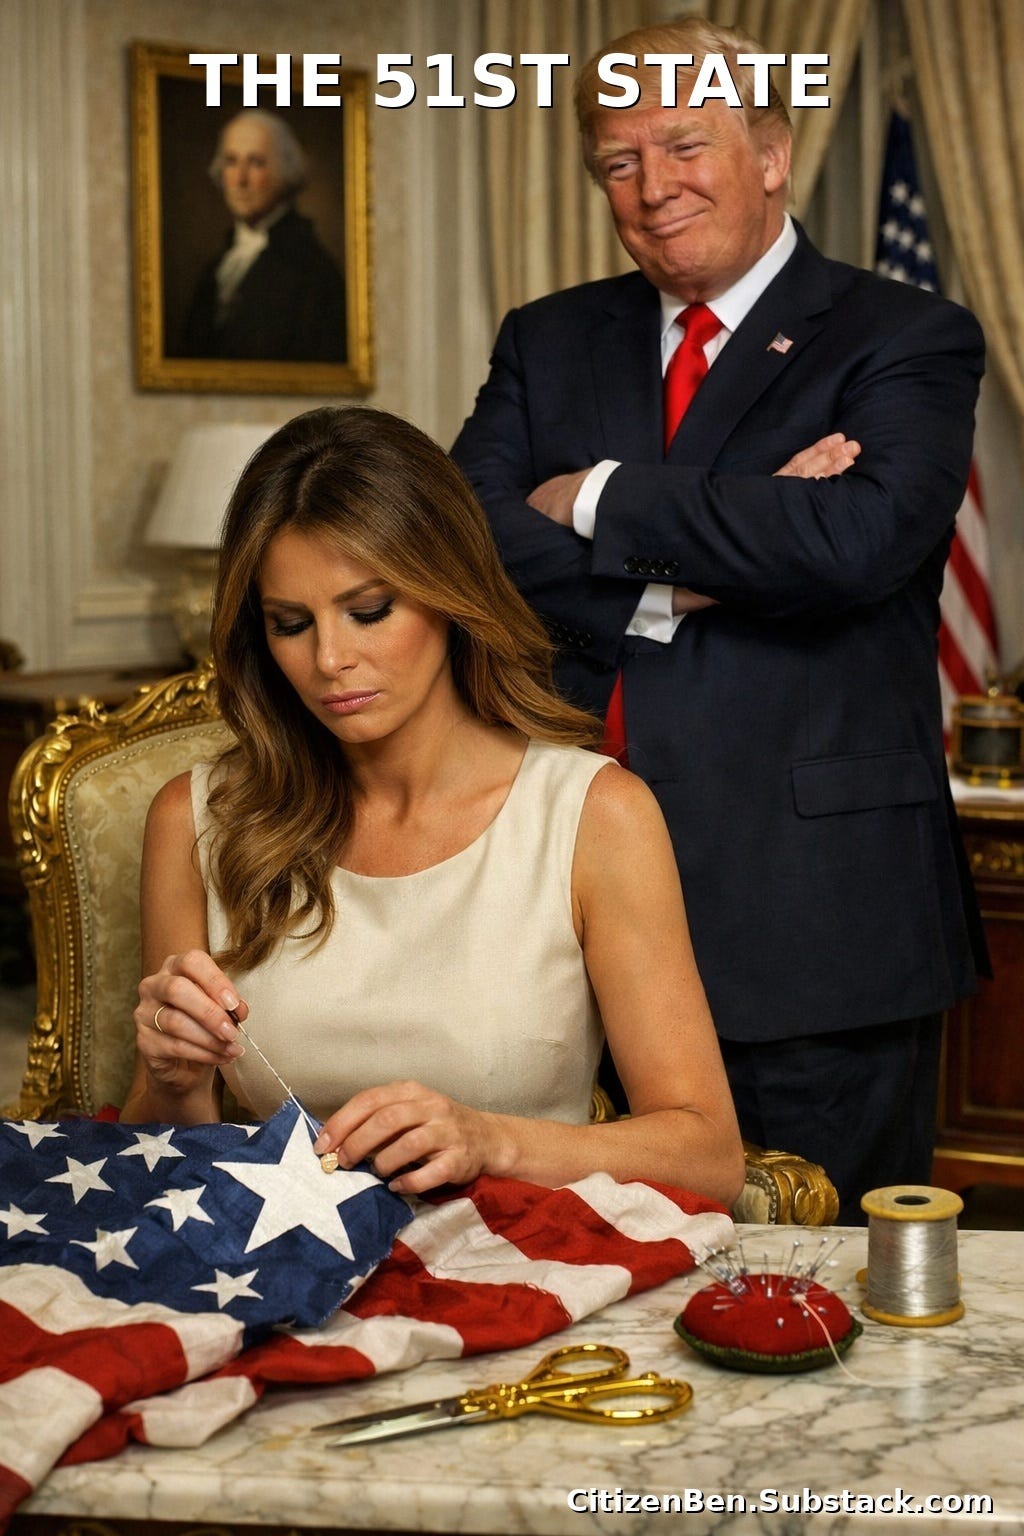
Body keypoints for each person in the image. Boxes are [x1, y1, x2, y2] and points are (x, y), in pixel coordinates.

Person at [451, 17, 988, 1223]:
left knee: (822, 1290)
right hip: (557, 911)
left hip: (808, 922)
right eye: (619, 161)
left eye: (684, 145)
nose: (652, 187)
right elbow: (465, 539)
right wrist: (695, 566)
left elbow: (854, 542)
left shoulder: (905, 336)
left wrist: (593, 495)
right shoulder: (548, 338)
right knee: (573, 1271)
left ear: (771, 154)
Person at [121, 406, 745, 1208]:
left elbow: (708, 1156)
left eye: (369, 611)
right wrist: (173, 1082)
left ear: (450, 593)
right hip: (281, 1266)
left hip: (526, 1258)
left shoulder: (594, 817)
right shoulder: (196, 820)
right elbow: (158, 1162)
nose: (330, 659)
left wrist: (492, 1142)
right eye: (290, 624)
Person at [176, 109, 346, 363]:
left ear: (284, 172)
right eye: (231, 161)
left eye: (256, 162)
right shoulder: (216, 268)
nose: (240, 179)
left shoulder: (313, 272)